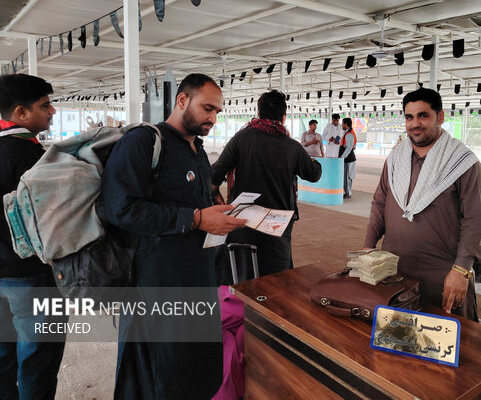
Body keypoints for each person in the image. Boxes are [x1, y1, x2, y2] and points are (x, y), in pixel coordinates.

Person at [101, 73, 248, 400]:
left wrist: (215, 214)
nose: (213, 117)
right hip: (156, 283)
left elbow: (195, 205)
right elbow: (119, 208)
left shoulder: (196, 149)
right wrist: (196, 219)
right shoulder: (143, 141)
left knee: (194, 365)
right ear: (182, 100)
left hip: (197, 277)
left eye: (218, 112)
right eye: (207, 108)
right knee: (160, 371)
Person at [363, 88, 481, 321]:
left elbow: (475, 219)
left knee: (444, 347)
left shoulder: (463, 163)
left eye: (423, 115)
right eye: (409, 117)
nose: (415, 124)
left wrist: (461, 270)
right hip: (394, 270)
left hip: (441, 274)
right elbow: (380, 203)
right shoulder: (395, 158)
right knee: (395, 341)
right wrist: (368, 247)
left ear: (440, 117)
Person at [0, 74, 66, 400]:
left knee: (3, 357)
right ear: (21, 113)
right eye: (45, 105)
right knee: (38, 359)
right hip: (32, 276)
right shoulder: (31, 158)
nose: (52, 111)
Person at [212, 90, 322, 281]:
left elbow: (214, 175)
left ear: (258, 112)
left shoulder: (241, 138)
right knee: (276, 282)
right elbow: (313, 175)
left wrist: (218, 198)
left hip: (242, 221)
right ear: (284, 116)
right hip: (277, 226)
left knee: (240, 276)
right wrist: (315, 163)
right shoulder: (292, 146)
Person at [339, 117, 357, 199]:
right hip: (347, 158)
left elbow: (349, 147)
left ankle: (348, 193)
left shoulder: (349, 134)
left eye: (342, 123)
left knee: (348, 176)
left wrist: (342, 156)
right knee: (346, 176)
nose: (342, 125)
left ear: (346, 124)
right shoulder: (346, 132)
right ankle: (347, 192)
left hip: (349, 159)